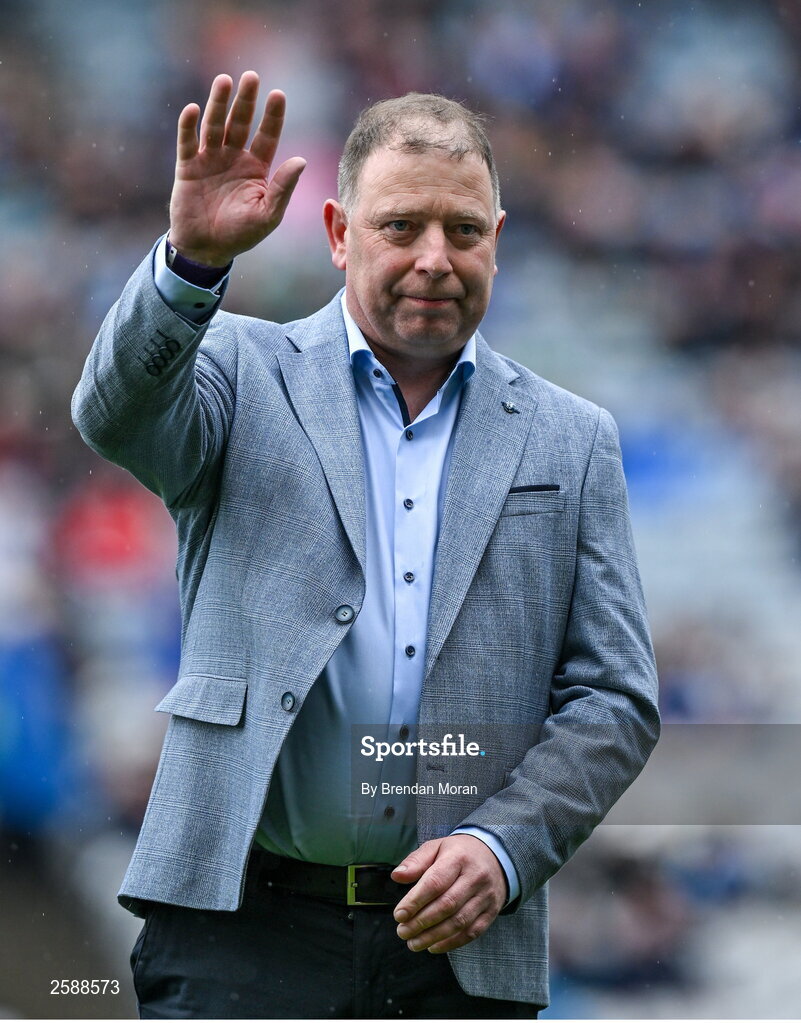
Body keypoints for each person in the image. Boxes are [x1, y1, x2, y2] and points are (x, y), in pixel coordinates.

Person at [72, 71, 660, 1019]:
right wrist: (188, 265)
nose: (435, 256)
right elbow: (111, 415)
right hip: (239, 925)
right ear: (340, 232)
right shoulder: (233, 366)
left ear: (496, 246)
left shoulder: (571, 438)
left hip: (456, 946)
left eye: (462, 230)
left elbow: (615, 700)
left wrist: (503, 847)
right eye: (401, 226)